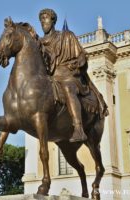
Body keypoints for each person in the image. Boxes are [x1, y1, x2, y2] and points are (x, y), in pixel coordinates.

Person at [39, 8, 89, 142]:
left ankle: (78, 128)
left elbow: (82, 54)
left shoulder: (67, 36)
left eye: (45, 18)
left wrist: (78, 63)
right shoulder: (39, 43)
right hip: (49, 77)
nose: (43, 22)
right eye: (41, 19)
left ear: (53, 20)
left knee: (68, 88)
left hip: (66, 74)